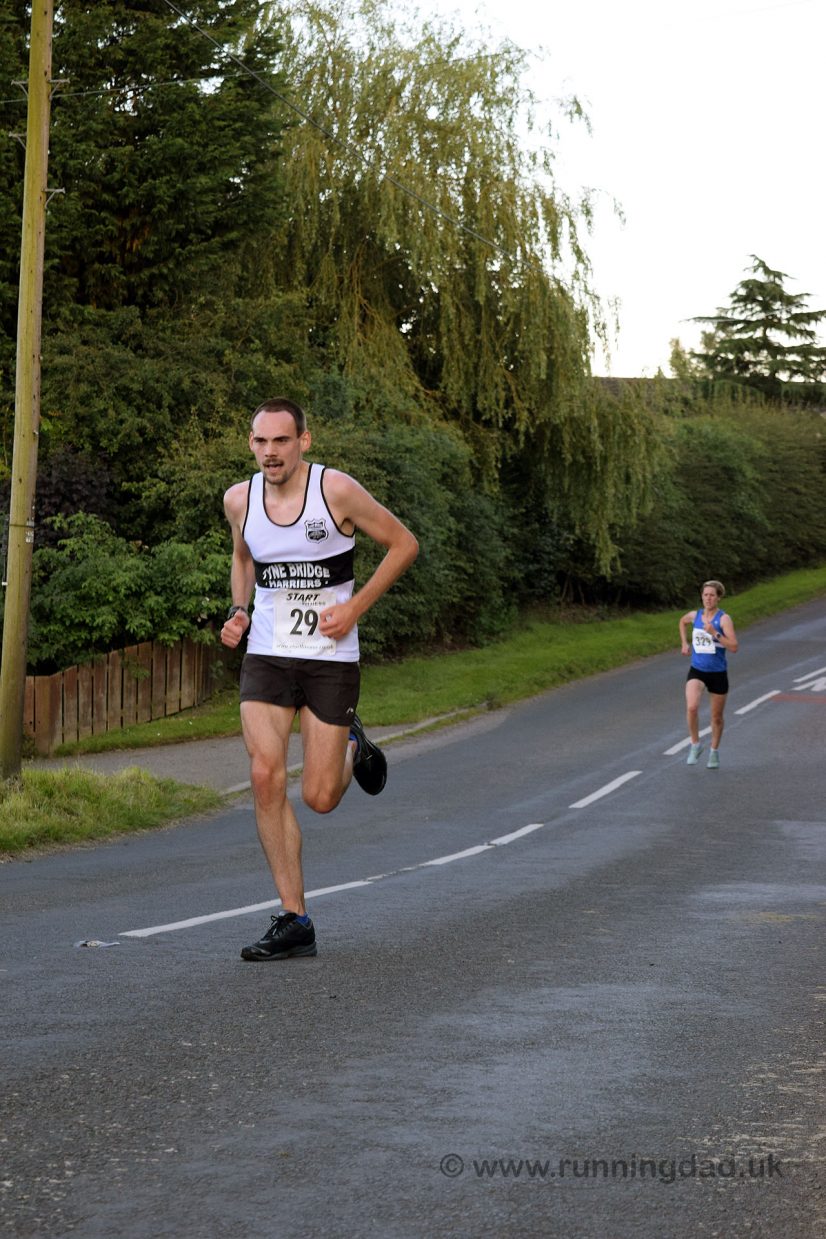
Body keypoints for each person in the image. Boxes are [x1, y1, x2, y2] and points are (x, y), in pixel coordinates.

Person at [220, 397, 418, 960]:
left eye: (281, 441)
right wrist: (239, 611)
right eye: (260, 442)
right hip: (268, 654)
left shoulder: (337, 492)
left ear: (303, 441)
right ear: (251, 444)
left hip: (330, 657)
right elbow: (243, 559)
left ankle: (351, 743)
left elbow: (404, 544)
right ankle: (294, 918)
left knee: (320, 797)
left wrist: (355, 609)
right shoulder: (240, 500)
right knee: (264, 776)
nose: (270, 452)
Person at [678, 580, 739, 769]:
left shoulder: (723, 619)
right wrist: (684, 643)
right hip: (697, 670)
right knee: (692, 707)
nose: (708, 598)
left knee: (716, 718)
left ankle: (714, 751)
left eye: (712, 595)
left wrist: (715, 633)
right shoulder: (694, 615)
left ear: (718, 597)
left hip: (718, 673)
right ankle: (695, 745)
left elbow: (734, 647)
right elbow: (682, 621)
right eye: (705, 595)